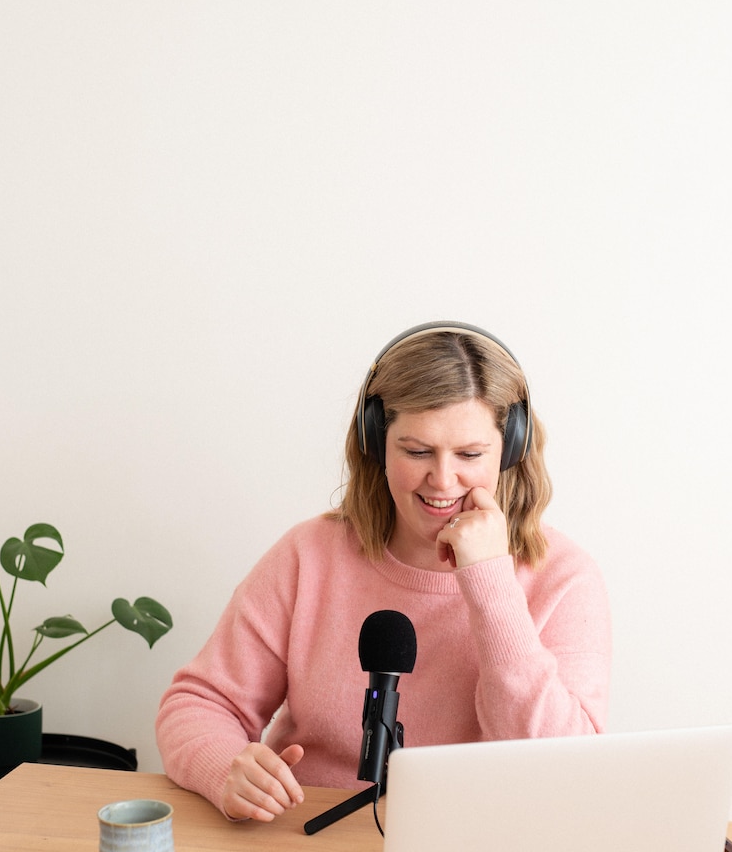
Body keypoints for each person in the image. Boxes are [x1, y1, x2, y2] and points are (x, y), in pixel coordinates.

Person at [156, 322, 611, 821]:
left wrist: (491, 584)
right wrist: (223, 767)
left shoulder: (565, 579)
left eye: (470, 455)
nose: (443, 479)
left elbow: (564, 768)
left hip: (481, 849)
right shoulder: (309, 556)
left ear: (511, 448)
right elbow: (198, 703)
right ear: (376, 443)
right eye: (416, 451)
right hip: (310, 841)